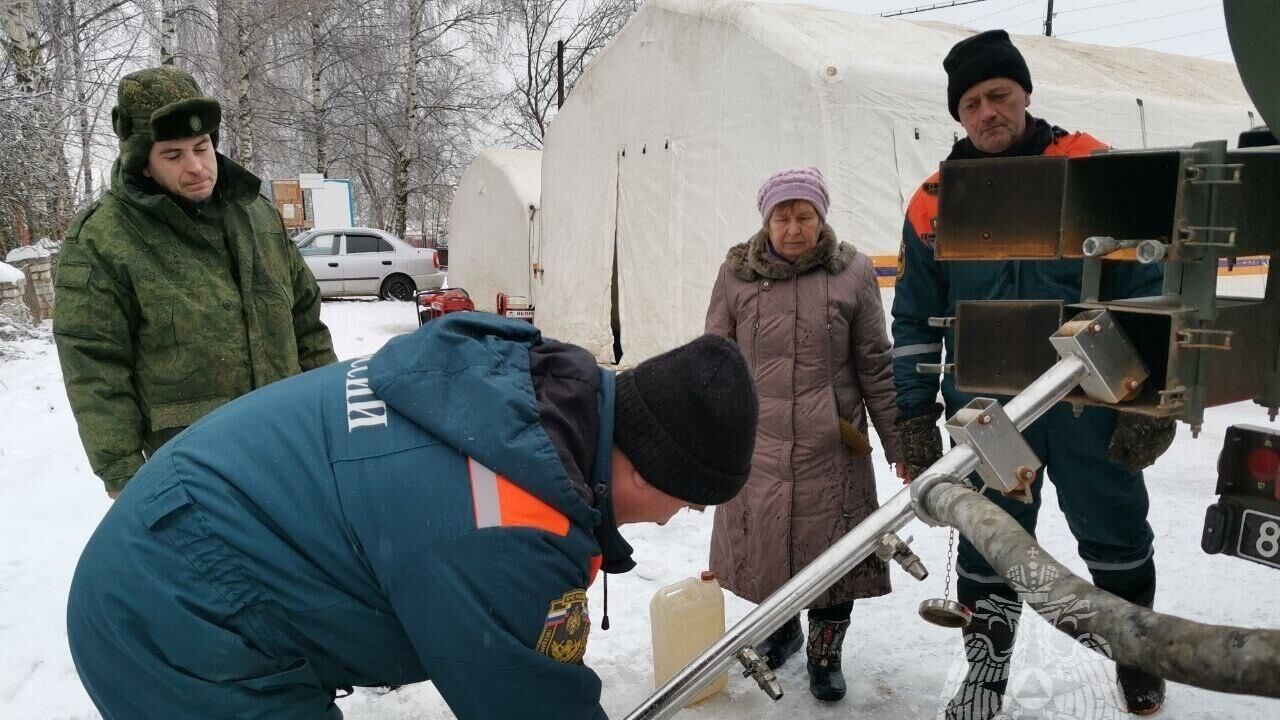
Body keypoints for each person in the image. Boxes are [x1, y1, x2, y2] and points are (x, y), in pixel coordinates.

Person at [66, 312, 758, 719]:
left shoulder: (520, 399)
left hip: (187, 533)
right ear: (643, 467)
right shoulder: (508, 520)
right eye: (689, 496)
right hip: (174, 612)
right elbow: (525, 704)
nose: (681, 517)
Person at [892, 30, 1177, 719]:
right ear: (959, 116)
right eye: (972, 103)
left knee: (1113, 531)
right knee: (989, 542)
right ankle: (986, 669)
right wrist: (912, 414)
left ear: (1024, 94)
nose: (988, 112)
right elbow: (914, 317)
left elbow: (1152, 287)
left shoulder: (1091, 168)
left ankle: (1134, 654)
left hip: (1091, 399)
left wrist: (1157, 402)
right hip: (986, 409)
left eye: (999, 95)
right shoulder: (935, 199)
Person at [53, 66, 336, 498]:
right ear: (142, 164)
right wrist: (123, 473)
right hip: (193, 462)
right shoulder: (103, 237)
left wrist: (330, 409)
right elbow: (94, 362)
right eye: (173, 155)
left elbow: (305, 320)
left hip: (291, 442)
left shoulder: (257, 215)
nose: (197, 167)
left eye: (201, 147)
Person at [705, 166, 902, 702]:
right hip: (758, 444)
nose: (793, 228)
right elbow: (712, 361)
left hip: (831, 445)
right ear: (766, 221)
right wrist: (707, 440)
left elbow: (875, 365)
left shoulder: (853, 272)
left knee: (835, 555)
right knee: (766, 550)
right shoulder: (736, 275)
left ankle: (825, 653)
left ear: (822, 219)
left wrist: (899, 445)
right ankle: (782, 629)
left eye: (804, 216)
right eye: (782, 217)